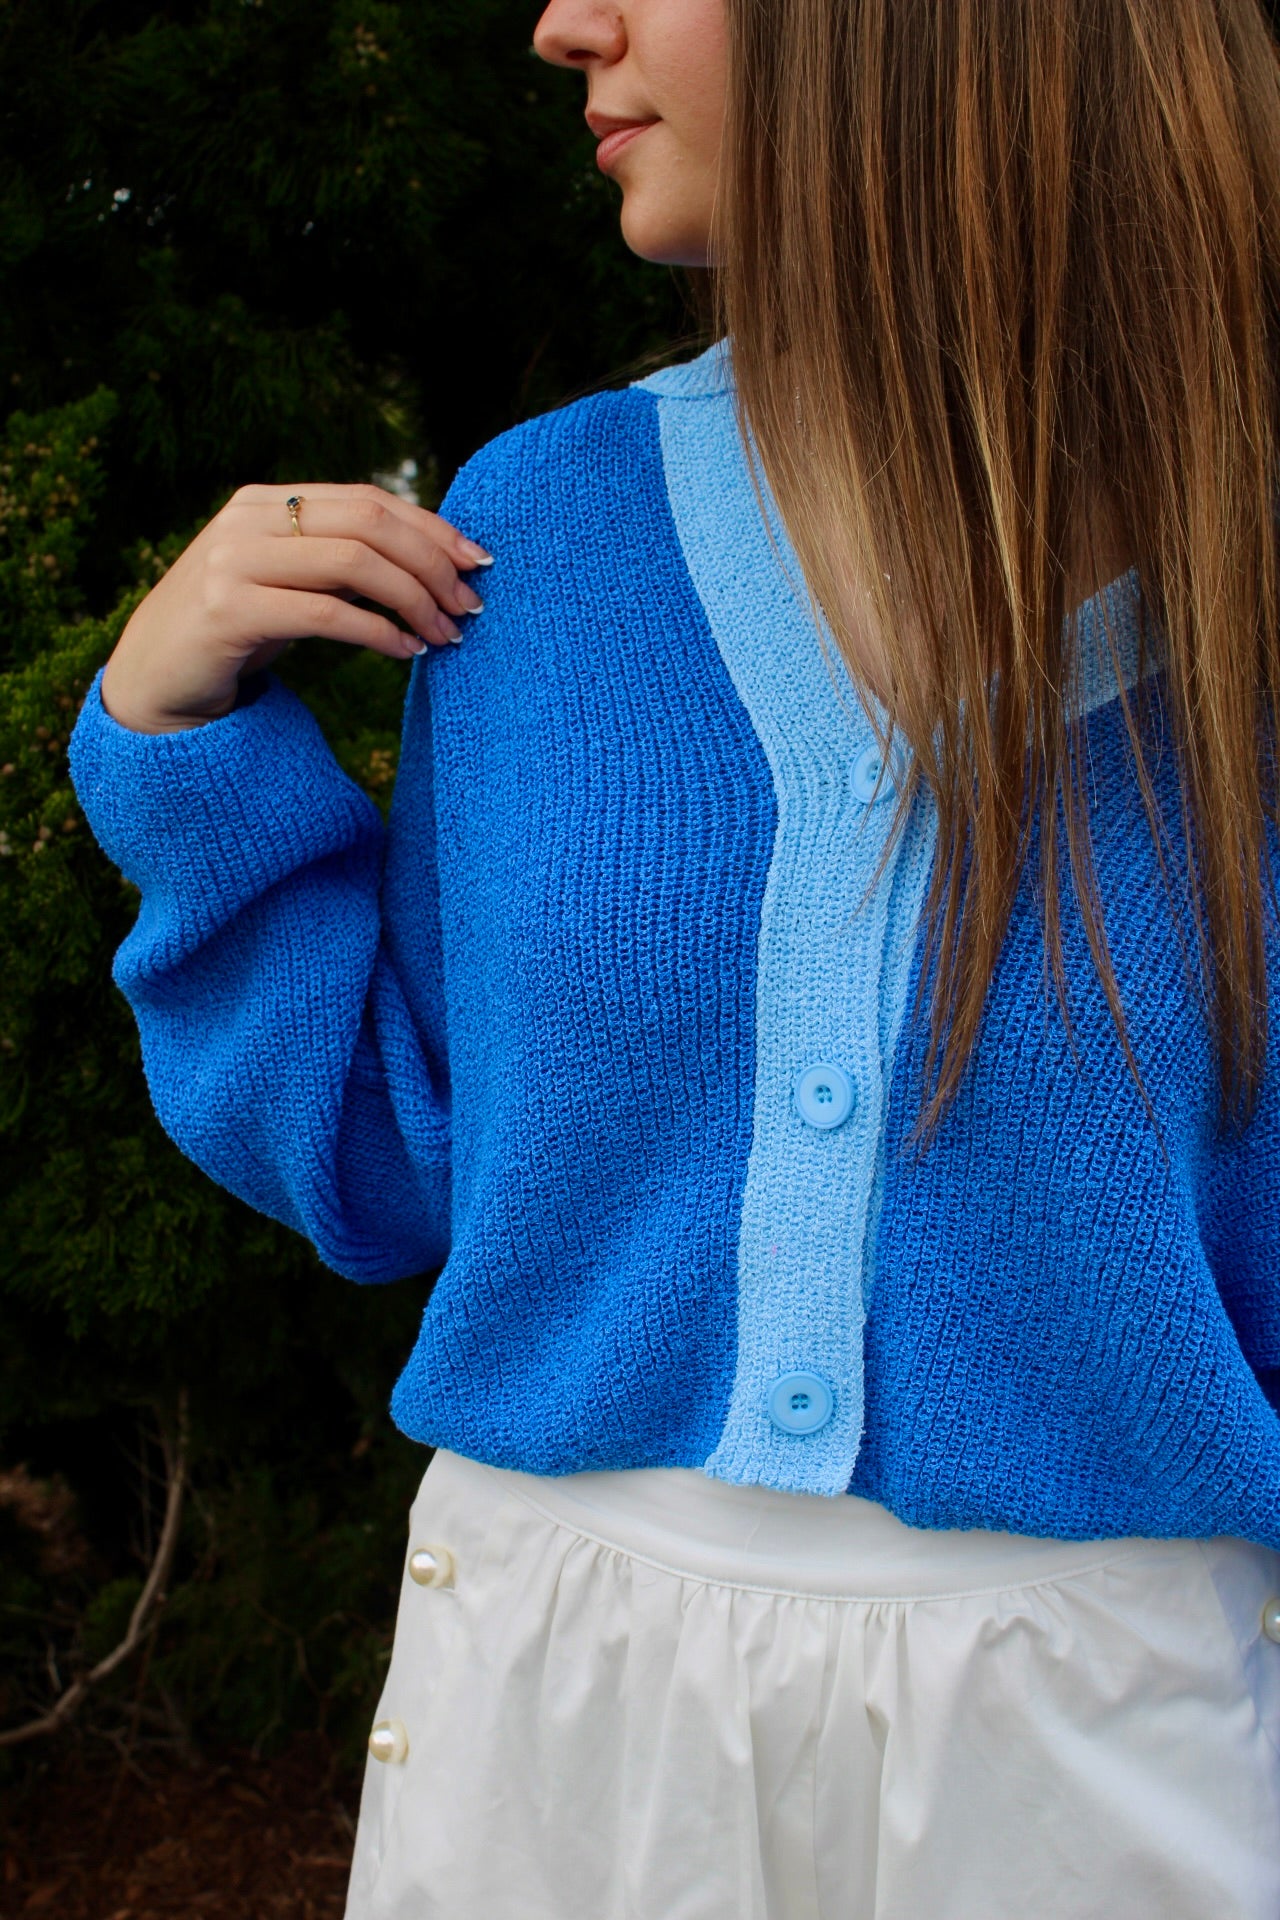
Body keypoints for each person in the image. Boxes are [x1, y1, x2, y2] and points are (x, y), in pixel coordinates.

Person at [67, 0, 1280, 1913]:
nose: (563, 23)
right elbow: (400, 1159)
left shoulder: (1250, 588)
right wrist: (180, 743)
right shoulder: (540, 529)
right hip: (556, 1718)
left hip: (1111, 1750)